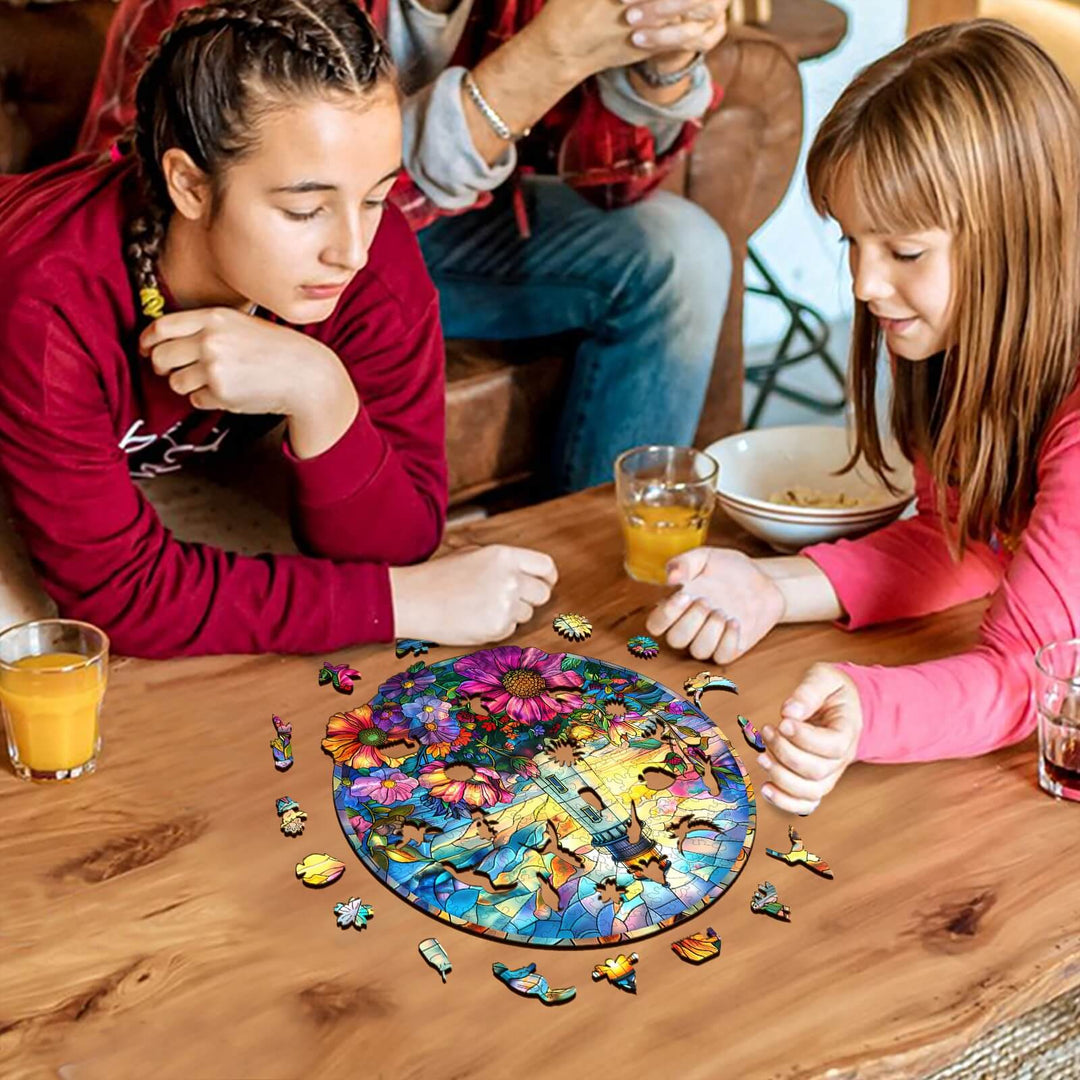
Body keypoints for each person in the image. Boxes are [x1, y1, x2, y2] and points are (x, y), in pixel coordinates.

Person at [0, 0, 556, 657]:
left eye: (375, 196)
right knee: (33, 649)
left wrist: (321, 391)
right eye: (305, 210)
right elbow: (123, 599)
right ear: (189, 185)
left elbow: (402, 537)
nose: (351, 249)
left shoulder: (370, 255)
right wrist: (404, 601)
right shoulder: (49, 301)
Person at [646, 19, 1080, 814]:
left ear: (1023, 236)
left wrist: (868, 709)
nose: (862, 283)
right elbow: (965, 538)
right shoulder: (962, 348)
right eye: (852, 241)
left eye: (904, 252)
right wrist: (772, 587)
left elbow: (1033, 674)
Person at [77, 0, 734, 493]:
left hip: (433, 224)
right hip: (235, 248)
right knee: (338, 224)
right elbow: (159, 205)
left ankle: (604, 562)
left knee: (680, 252)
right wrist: (544, 60)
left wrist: (661, 63)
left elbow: (617, 187)